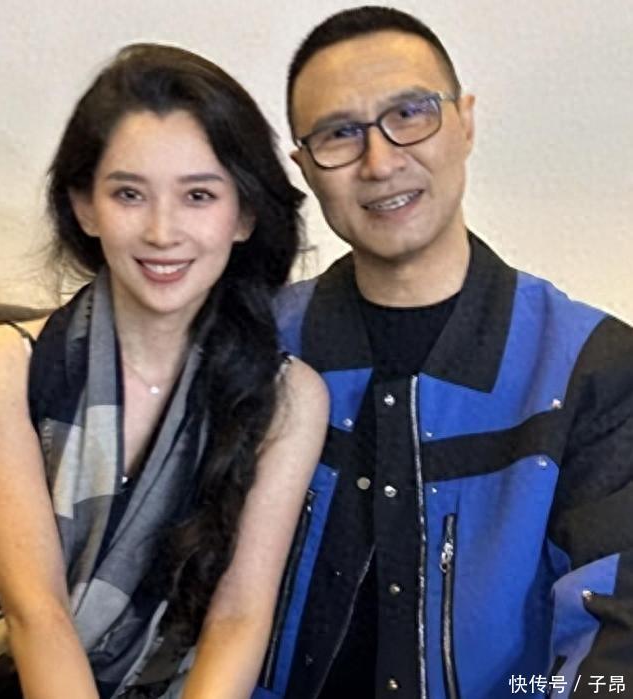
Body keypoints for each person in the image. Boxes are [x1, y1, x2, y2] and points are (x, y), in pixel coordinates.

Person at [249, 6, 633, 699]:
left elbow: (614, 654)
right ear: (303, 167)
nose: (380, 161)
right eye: (339, 133)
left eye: (410, 114)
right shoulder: (257, 345)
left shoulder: (591, 365)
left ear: (465, 122)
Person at [0, 43, 329, 699]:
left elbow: (238, 617)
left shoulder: (289, 399)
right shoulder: (2, 367)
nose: (162, 232)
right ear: (84, 206)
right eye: (129, 194)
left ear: (244, 214)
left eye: (198, 195)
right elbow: (38, 613)